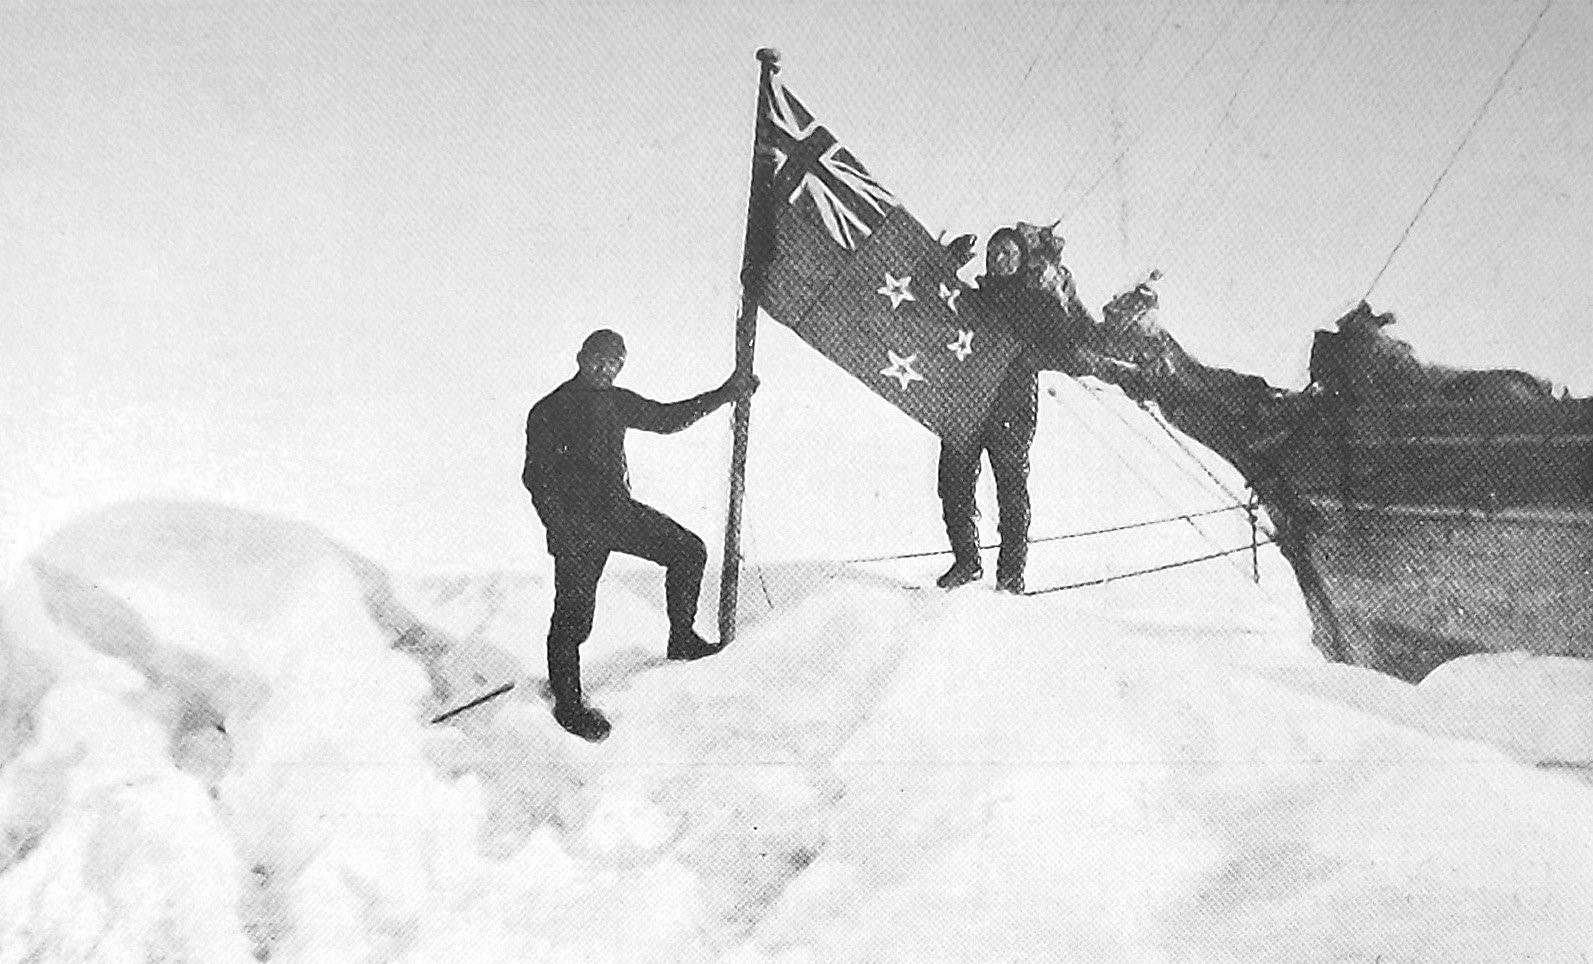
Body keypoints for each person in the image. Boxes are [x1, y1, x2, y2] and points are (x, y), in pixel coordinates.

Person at [523, 329, 758, 741]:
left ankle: (681, 639)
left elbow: (666, 419)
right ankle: (568, 704)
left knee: (688, 551)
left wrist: (726, 393)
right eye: (600, 358)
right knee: (573, 621)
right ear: (580, 356)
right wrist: (559, 529)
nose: (606, 368)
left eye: (616, 363)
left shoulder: (615, 401)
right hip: (577, 529)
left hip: (616, 514)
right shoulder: (549, 409)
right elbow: (536, 478)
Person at [936, 226, 1095, 595]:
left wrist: (1053, 297)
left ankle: (1010, 575)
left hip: (1011, 409)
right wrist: (948, 261)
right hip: (967, 405)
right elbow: (936, 300)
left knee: (1010, 492)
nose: (999, 259)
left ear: (1022, 259)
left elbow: (1065, 339)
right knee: (953, 484)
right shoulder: (975, 300)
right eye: (994, 252)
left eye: (1008, 253)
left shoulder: (1036, 303)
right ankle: (966, 561)